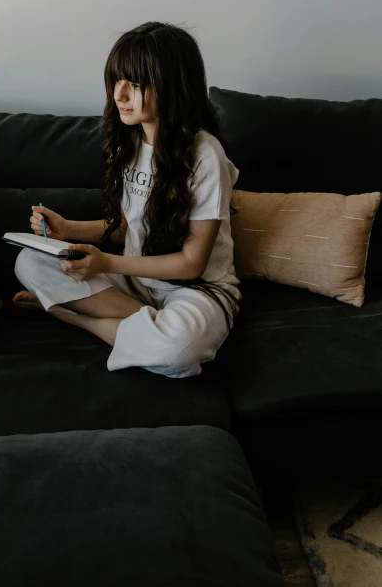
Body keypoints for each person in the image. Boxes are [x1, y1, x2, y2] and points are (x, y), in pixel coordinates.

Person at [13, 21, 242, 379]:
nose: (119, 95)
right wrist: (66, 228)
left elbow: (192, 264)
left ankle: (69, 317)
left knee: (177, 350)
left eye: (135, 84)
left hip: (196, 290)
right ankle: (145, 325)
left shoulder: (204, 155)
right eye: (116, 80)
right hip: (135, 284)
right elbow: (124, 228)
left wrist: (106, 265)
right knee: (29, 261)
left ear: (172, 86)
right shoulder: (131, 143)